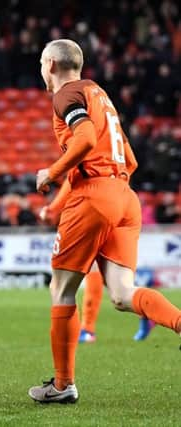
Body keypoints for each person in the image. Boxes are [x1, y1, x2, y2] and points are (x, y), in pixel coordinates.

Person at [29, 39, 181, 404]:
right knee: (123, 295)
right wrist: (62, 200)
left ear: (50, 63)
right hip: (125, 197)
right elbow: (128, 158)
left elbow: (83, 140)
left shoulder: (65, 95)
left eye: (40, 63)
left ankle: (63, 386)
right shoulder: (101, 96)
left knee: (62, 291)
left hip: (95, 198)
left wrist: (52, 171)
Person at [40, 181, 155, 344]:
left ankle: (87, 329)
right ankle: (148, 310)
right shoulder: (111, 160)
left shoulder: (86, 164)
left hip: (100, 211)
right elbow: (131, 164)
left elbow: (72, 178)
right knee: (114, 283)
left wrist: (53, 208)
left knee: (97, 273)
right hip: (111, 207)